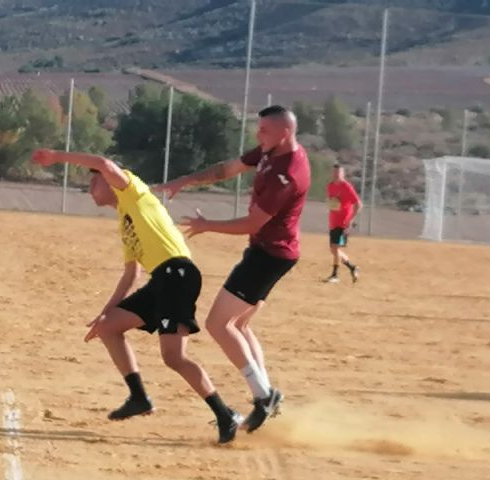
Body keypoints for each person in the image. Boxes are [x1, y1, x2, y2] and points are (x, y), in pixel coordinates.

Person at [31, 149, 242, 444]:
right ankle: (139, 397)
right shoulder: (124, 220)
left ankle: (225, 414)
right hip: (161, 279)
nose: (90, 190)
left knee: (174, 357)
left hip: (178, 275)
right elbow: (132, 274)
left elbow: (103, 163)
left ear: (109, 180)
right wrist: (106, 312)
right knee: (109, 327)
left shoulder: (134, 192)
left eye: (94, 183)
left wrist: (56, 156)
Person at [155, 105, 311, 433]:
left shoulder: (288, 173)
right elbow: (229, 168)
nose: (258, 135)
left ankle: (263, 395)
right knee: (238, 323)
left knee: (217, 324)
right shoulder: (272, 150)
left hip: (270, 256)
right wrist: (186, 180)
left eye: (264, 130)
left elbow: (253, 223)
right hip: (270, 252)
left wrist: (207, 225)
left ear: (285, 133)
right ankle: (267, 395)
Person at [324, 164, 360, 284]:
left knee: (335, 247)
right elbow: (332, 202)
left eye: (338, 173)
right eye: (334, 173)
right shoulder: (329, 186)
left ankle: (335, 275)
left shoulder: (347, 187)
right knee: (333, 250)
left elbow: (358, 204)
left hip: (344, 223)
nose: (336, 175)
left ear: (343, 174)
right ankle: (352, 267)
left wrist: (351, 220)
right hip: (333, 221)